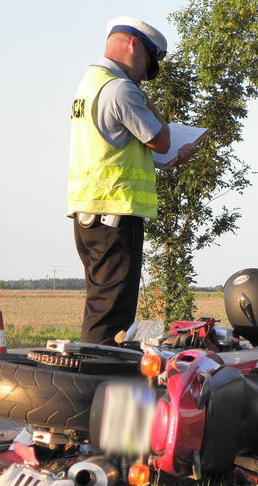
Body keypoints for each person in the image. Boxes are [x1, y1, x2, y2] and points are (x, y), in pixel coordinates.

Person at [67, 17, 197, 344]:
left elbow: (121, 147)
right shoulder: (121, 88)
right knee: (111, 318)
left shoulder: (89, 84)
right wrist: (141, 94)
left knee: (101, 306)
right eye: (147, 67)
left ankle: (95, 380)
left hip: (89, 214)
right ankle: (96, 387)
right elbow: (162, 139)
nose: (144, 76)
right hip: (115, 215)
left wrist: (169, 159)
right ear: (133, 45)